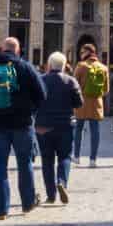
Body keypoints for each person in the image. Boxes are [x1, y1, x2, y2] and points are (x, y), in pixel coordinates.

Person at [0, 35, 46, 219]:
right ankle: (28, 203)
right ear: (18, 50)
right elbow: (42, 93)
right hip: (22, 123)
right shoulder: (25, 67)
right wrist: (31, 110)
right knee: (25, 164)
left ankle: (1, 210)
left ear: (1, 50)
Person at [36, 52, 84, 204]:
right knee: (65, 156)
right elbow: (79, 103)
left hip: (44, 126)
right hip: (65, 125)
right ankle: (62, 182)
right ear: (64, 66)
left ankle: (51, 195)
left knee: (47, 160)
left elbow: (34, 101)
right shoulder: (71, 81)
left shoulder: (41, 80)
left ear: (49, 65)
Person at [72, 44, 107, 167]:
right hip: (96, 104)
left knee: (78, 130)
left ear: (87, 52)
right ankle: (93, 160)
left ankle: (76, 156)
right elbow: (106, 89)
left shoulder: (81, 66)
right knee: (95, 131)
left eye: (82, 51)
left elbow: (74, 85)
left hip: (81, 103)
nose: (81, 53)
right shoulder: (103, 68)